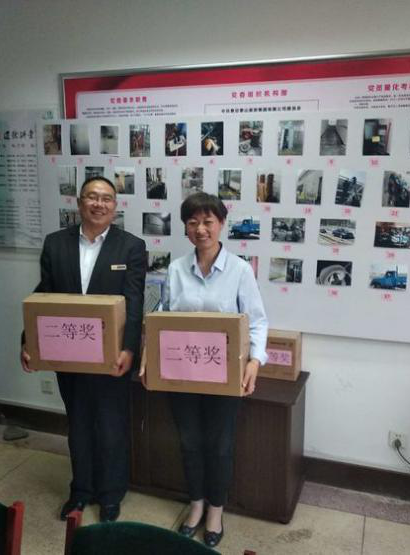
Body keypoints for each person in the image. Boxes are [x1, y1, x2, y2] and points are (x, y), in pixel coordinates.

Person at [141, 192, 268, 548]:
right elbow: (163, 315)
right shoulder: (176, 269)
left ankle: (215, 509)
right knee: (189, 442)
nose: (201, 229)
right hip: (182, 373)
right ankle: (195, 503)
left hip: (223, 376)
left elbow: (257, 321)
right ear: (185, 228)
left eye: (208, 221)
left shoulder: (240, 270)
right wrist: (149, 355)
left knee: (220, 444)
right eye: (193, 222)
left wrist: (255, 362)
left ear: (221, 224)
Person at [21, 176, 146, 523]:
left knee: (111, 425)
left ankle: (111, 494)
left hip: (112, 357)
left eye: (106, 198)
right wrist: (28, 341)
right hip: (69, 352)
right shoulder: (56, 243)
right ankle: (80, 491)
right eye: (92, 197)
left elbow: (134, 302)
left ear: (115, 206)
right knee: (78, 425)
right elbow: (44, 297)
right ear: (79, 203)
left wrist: (129, 349)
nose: (99, 204)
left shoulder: (131, 247)